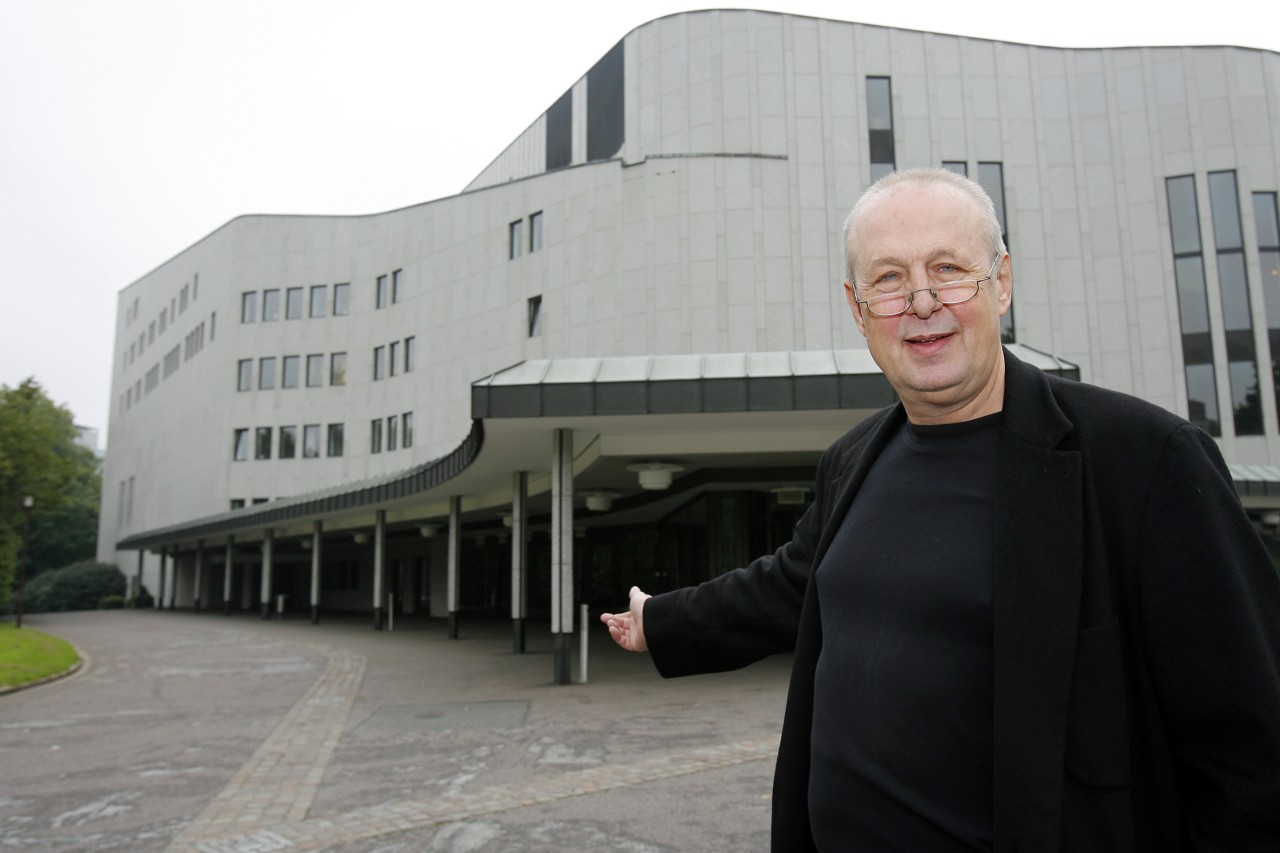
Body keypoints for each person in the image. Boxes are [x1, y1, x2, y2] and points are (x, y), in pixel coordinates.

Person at [601, 167, 1280, 851]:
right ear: (856, 306)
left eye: (949, 268)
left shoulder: (1145, 460)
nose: (922, 300)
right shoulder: (851, 459)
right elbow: (792, 583)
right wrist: (659, 620)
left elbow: (1253, 758)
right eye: (889, 278)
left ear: (1003, 281)